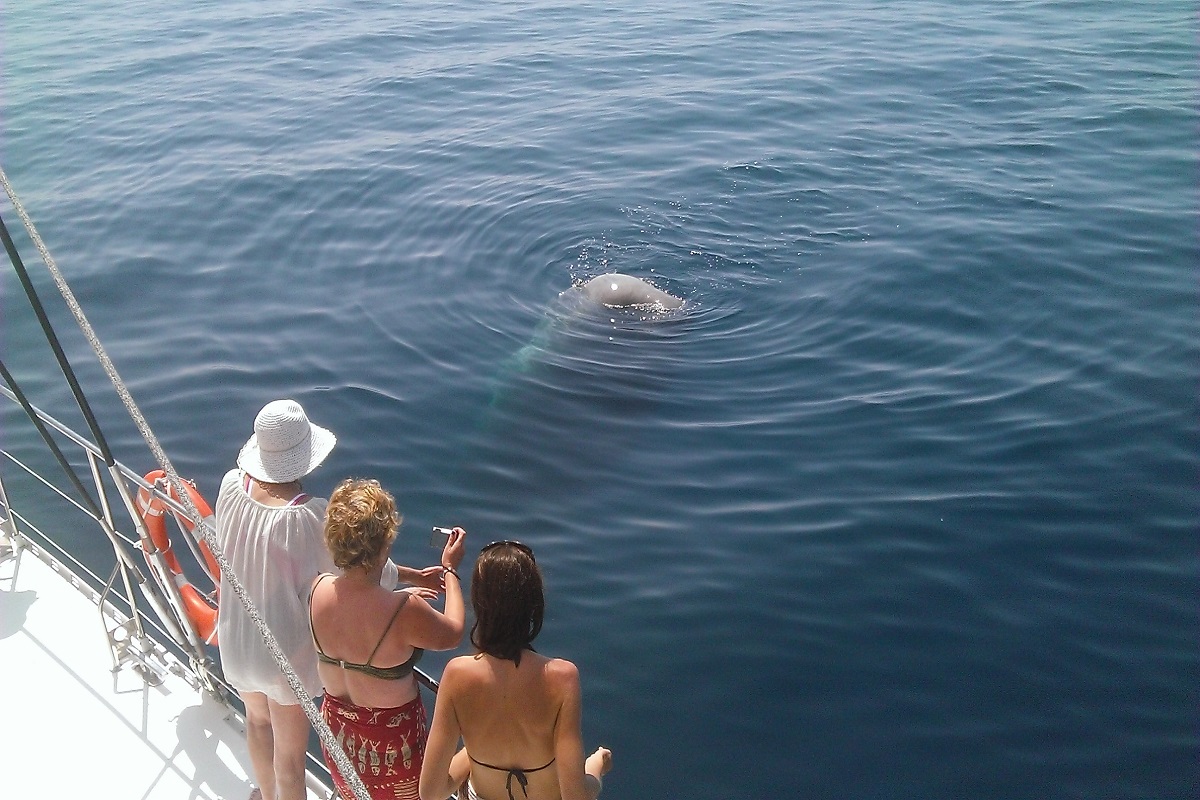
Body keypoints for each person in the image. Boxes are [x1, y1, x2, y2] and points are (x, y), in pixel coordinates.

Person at [216, 399, 444, 800]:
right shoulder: (306, 516)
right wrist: (409, 577)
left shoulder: (231, 485)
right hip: (281, 656)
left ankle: (263, 796)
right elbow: (353, 572)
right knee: (290, 761)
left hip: (236, 640)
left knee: (255, 722)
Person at [309, 478, 468, 800]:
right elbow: (453, 632)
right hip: (393, 747)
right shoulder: (403, 610)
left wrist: (403, 589)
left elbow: (358, 608)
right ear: (385, 544)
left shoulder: (318, 589)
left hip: (339, 735)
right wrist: (451, 571)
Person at [419, 541, 613, 800]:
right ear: (534, 604)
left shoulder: (457, 675)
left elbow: (431, 792)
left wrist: (479, 745)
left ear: (478, 602)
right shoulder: (563, 678)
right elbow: (575, 795)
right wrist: (597, 766)